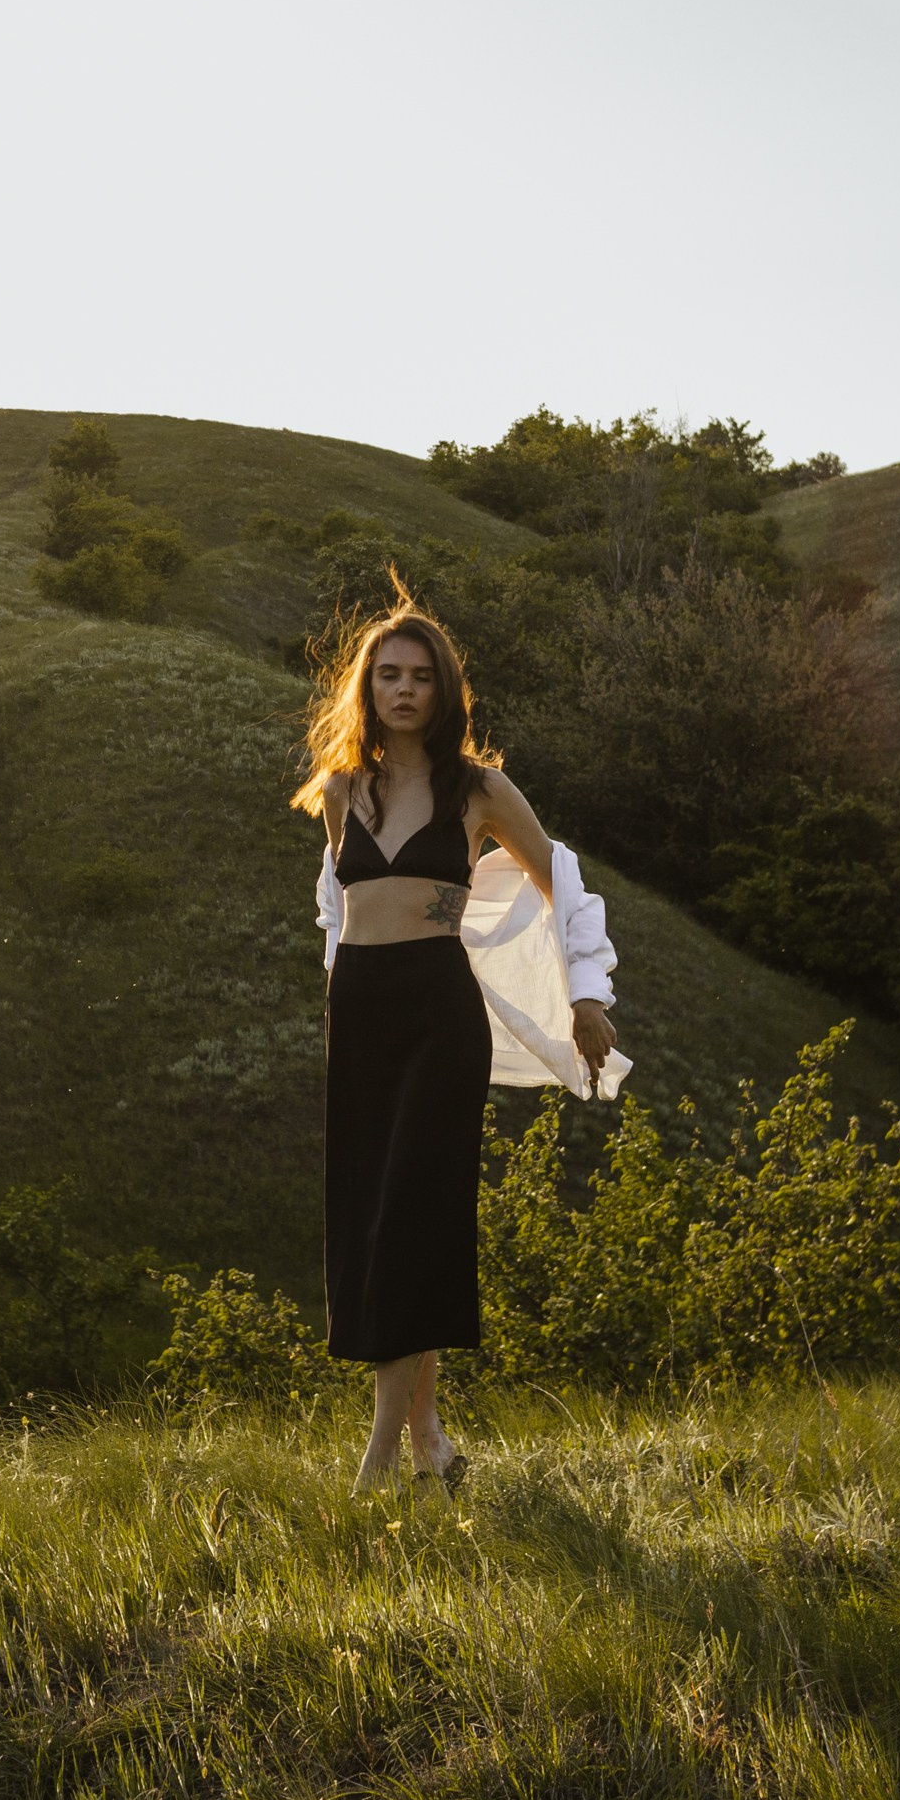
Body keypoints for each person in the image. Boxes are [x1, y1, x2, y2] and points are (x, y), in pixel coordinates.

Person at [294, 599, 617, 1496]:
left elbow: (566, 885)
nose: (403, 689)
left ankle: (375, 1466)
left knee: (414, 1219)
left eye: (420, 675)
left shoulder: (477, 791)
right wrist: (336, 999)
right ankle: (429, 1437)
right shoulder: (339, 791)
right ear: (367, 687)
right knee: (375, 1224)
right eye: (388, 674)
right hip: (359, 1019)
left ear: (444, 691)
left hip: (439, 1018)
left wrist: (589, 994)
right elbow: (336, 909)